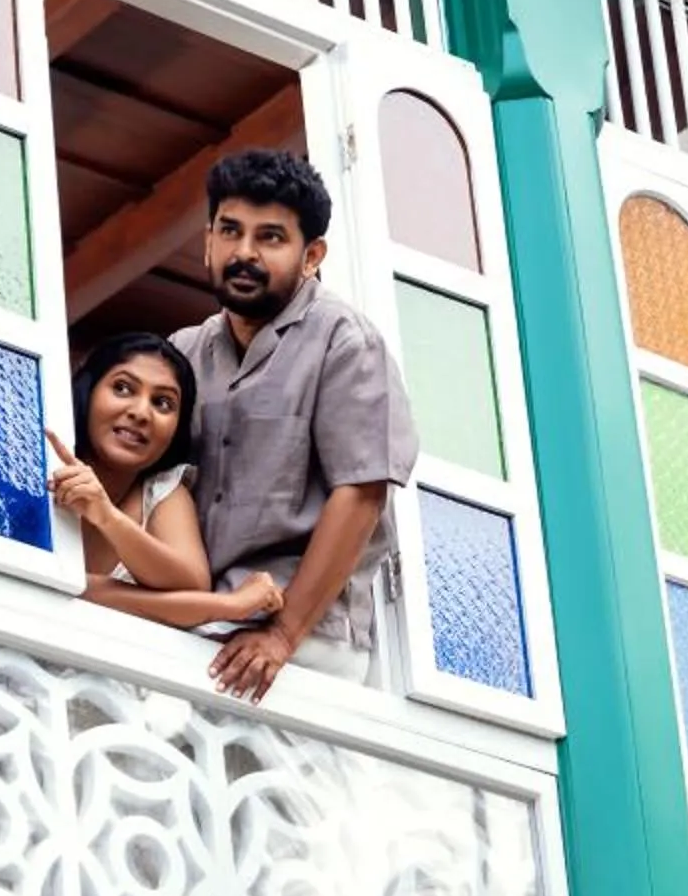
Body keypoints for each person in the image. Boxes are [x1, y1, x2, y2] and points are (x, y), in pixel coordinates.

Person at [173, 149, 419, 701]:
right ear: (207, 239)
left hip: (302, 643)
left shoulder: (344, 340)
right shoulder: (183, 353)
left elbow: (360, 495)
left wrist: (282, 636)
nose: (244, 253)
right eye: (230, 231)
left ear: (311, 256)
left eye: (270, 238)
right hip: (203, 620)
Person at [46, 332, 285, 632]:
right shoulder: (39, 464)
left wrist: (108, 518)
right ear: (88, 390)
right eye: (122, 388)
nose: (141, 413)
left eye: (162, 403)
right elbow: (43, 583)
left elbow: (192, 590)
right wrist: (230, 605)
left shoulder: (162, 491)